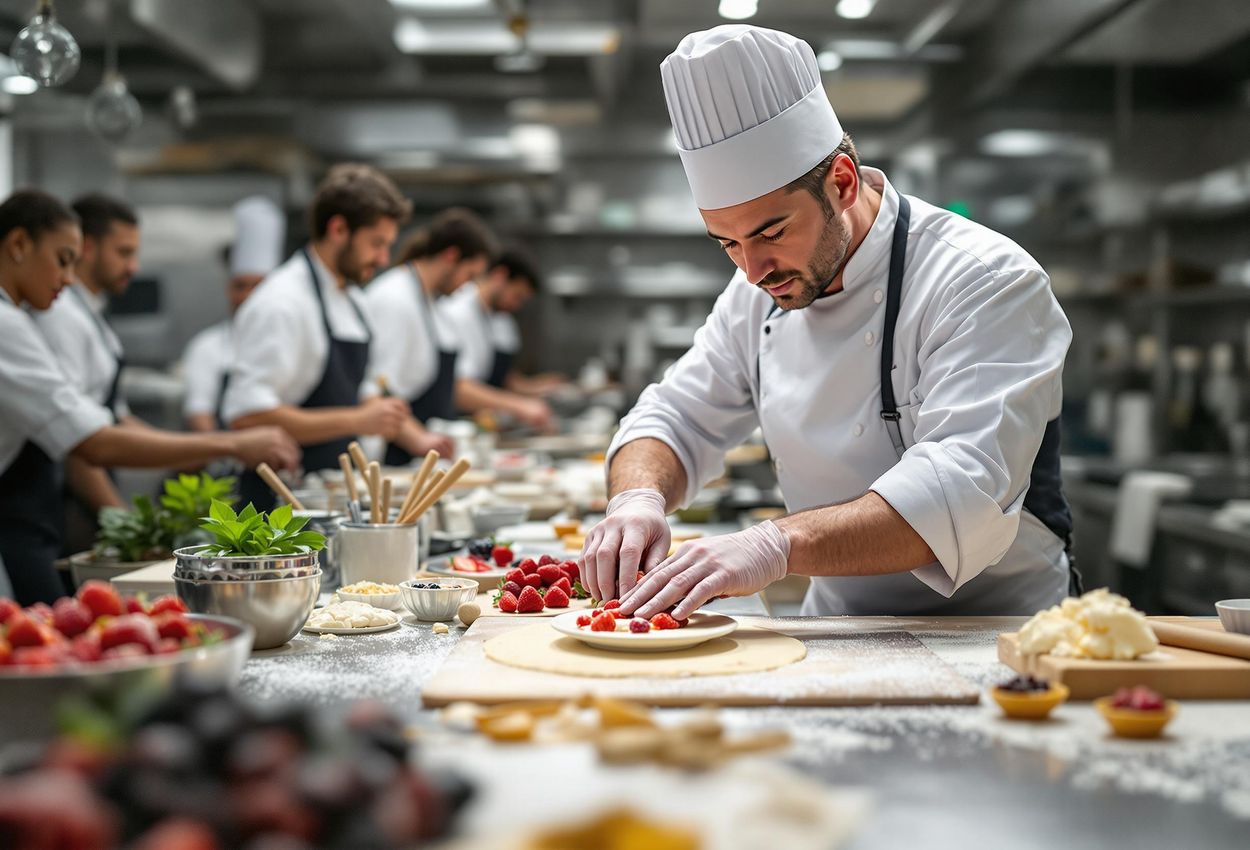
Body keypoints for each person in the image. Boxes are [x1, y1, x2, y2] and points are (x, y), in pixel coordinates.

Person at [581, 25, 1075, 621]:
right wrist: (637, 498)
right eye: (727, 243)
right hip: (839, 626)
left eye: (771, 232)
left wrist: (774, 544)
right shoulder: (757, 294)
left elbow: (960, 491)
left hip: (996, 630)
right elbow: (675, 415)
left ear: (841, 182)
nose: (753, 270)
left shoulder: (982, 280)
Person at [0, 189, 299, 604]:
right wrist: (231, 444)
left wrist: (205, 449)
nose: (68, 278)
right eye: (63, 259)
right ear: (18, 245)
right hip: (25, 507)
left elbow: (106, 420)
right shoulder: (15, 323)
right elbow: (89, 441)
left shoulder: (33, 316)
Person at [222, 164, 448, 508]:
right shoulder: (282, 302)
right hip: (280, 506)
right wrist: (358, 420)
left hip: (330, 499)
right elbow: (248, 416)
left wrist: (406, 429)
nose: (383, 259)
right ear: (338, 229)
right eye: (376, 244)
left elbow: (362, 389)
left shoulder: (353, 299)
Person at [363, 208, 495, 465]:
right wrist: (418, 438)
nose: (467, 287)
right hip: (394, 455)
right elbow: (376, 388)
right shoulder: (394, 298)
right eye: (469, 275)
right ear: (450, 256)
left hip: (425, 456)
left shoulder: (433, 302)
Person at [183, 196, 286, 433]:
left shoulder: (286, 341)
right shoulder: (206, 347)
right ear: (228, 289)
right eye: (240, 286)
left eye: (258, 287)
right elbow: (199, 415)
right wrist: (229, 449)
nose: (248, 297)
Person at [440, 247, 556, 432]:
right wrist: (520, 406)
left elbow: (501, 378)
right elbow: (458, 389)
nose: (516, 305)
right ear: (500, 275)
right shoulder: (458, 311)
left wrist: (537, 389)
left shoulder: (493, 316)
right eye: (517, 296)